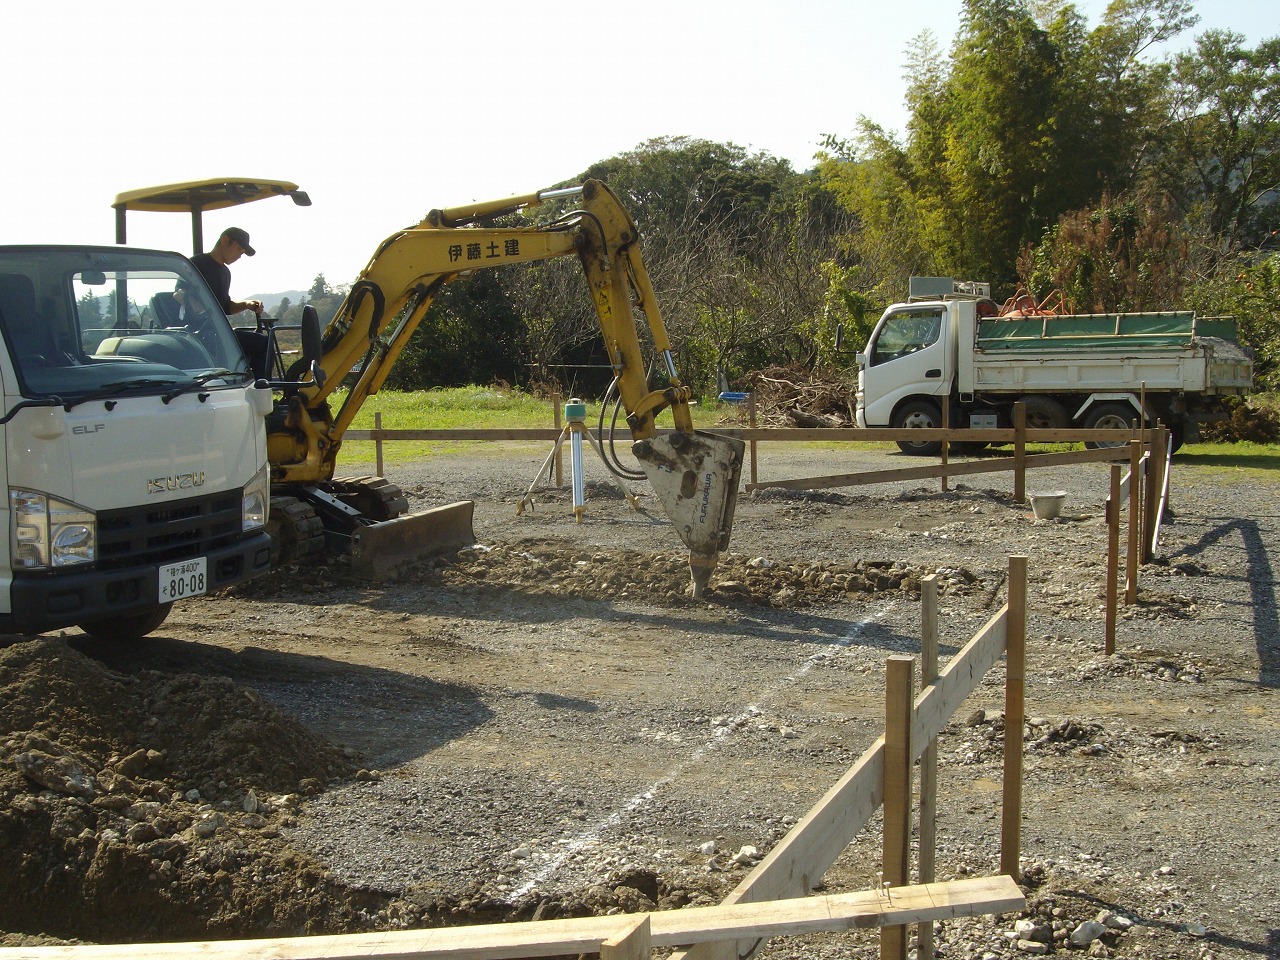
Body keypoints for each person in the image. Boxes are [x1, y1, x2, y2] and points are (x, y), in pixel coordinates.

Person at [191, 227, 264, 318]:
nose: (239, 256)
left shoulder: (225, 273)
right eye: (238, 249)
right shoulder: (196, 263)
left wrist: (247, 304)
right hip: (191, 327)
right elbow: (178, 294)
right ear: (225, 240)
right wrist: (198, 307)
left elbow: (225, 307)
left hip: (215, 329)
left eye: (242, 253)